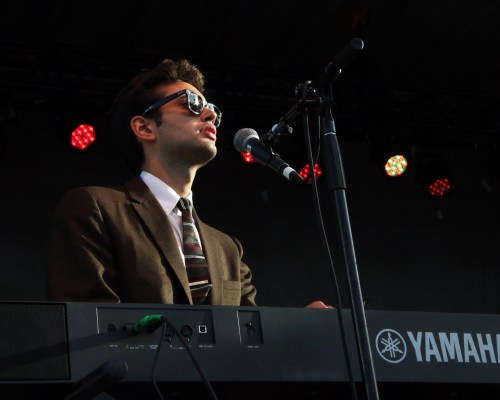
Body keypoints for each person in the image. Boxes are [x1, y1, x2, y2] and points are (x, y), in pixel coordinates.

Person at [48, 58, 330, 309]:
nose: (210, 115)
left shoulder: (228, 249)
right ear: (144, 127)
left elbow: (250, 340)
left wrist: (301, 329)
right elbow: (89, 321)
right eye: (191, 104)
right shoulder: (96, 208)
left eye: (212, 109)